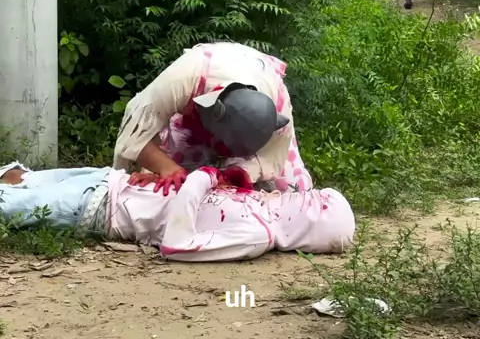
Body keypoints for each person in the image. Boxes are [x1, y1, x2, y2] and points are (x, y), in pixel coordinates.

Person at [0, 162, 355, 261]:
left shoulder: (257, 235)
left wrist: (203, 178)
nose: (308, 195)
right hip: (114, 180)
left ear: (315, 225)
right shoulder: (262, 205)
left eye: (318, 201)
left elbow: (177, 245)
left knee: (8, 202)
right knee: (17, 177)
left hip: (100, 208)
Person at [113, 41, 312, 195]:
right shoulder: (186, 75)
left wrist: (240, 174)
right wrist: (168, 168)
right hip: (194, 118)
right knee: (167, 186)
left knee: (290, 191)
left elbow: (272, 159)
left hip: (252, 106)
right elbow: (134, 129)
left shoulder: (278, 103)